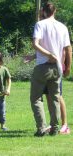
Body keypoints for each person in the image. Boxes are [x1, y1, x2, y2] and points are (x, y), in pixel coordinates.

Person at [30, 2, 72, 137]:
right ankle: (54, 128)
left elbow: (35, 44)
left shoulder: (40, 24)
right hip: (57, 68)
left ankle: (41, 128)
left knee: (36, 98)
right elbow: (68, 49)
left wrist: (48, 55)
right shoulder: (62, 27)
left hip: (43, 66)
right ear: (55, 11)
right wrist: (68, 67)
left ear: (43, 11)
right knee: (55, 98)